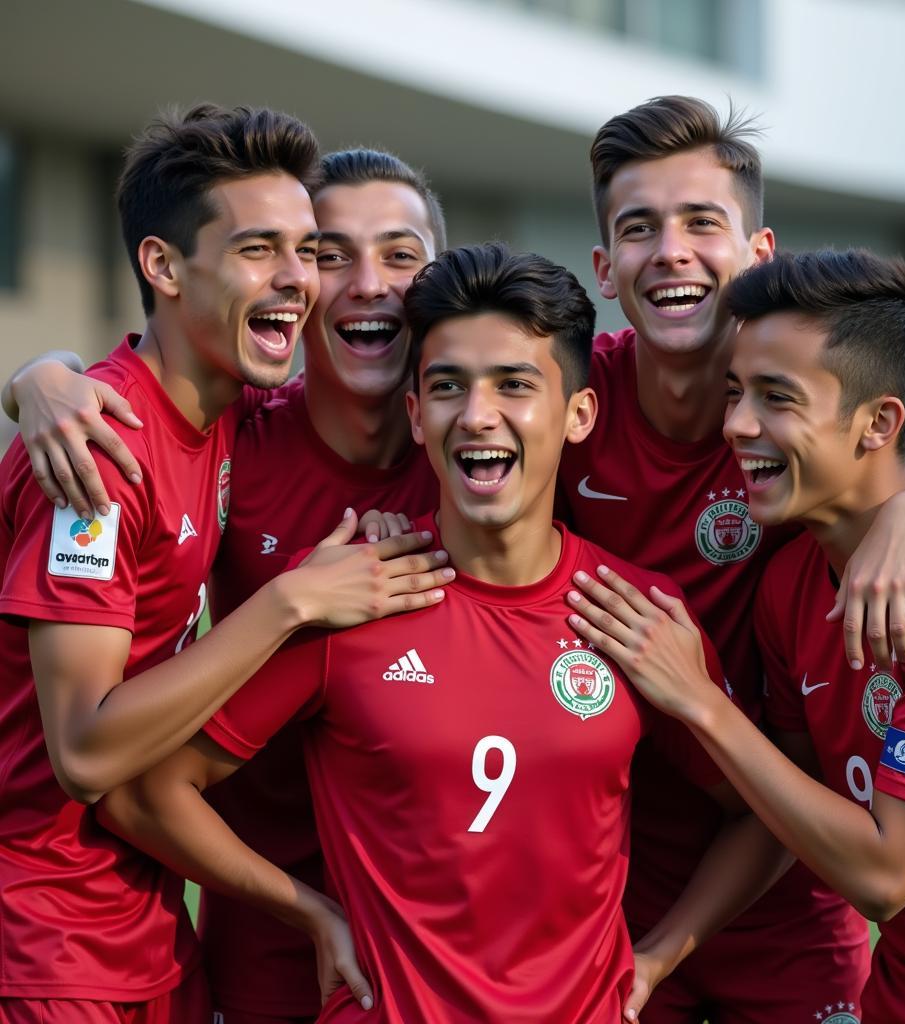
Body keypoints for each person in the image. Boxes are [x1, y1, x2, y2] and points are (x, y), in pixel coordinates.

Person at [99, 244, 790, 1024]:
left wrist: (662, 953)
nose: (477, 414)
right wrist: (309, 910)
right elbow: (144, 792)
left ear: (579, 414)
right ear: (416, 416)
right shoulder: (351, 596)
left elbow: (766, 814)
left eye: (515, 385)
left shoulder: (636, 610)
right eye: (448, 386)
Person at [556, 95, 905, 1022]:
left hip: (803, 895)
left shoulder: (825, 412)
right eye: (640, 227)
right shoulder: (576, 401)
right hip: (618, 877)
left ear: (755, 252)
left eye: (702, 221)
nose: (673, 250)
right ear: (605, 267)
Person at [0, 107, 450, 1022]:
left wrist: (33, 373)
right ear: (164, 267)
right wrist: (291, 603)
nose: (300, 281)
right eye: (262, 251)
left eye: (301, 250)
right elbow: (83, 753)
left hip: (150, 929)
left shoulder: (231, 415)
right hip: (46, 937)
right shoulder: (99, 452)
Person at [201, 148, 444, 1024]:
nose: (368, 284)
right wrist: (40, 381)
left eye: (401, 255)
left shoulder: (492, 455)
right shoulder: (235, 435)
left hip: (436, 926)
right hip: (263, 912)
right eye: (332, 255)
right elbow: (123, 394)